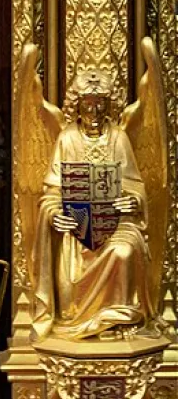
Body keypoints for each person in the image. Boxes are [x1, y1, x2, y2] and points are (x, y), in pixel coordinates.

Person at [30, 70, 153, 340]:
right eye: (88, 103)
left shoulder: (119, 138)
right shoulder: (67, 139)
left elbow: (136, 186)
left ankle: (118, 320)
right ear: (78, 104)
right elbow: (51, 193)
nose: (94, 110)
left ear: (109, 105)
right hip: (78, 228)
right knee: (72, 264)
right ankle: (79, 318)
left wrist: (131, 200)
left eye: (100, 103)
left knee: (124, 251)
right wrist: (54, 214)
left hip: (117, 224)